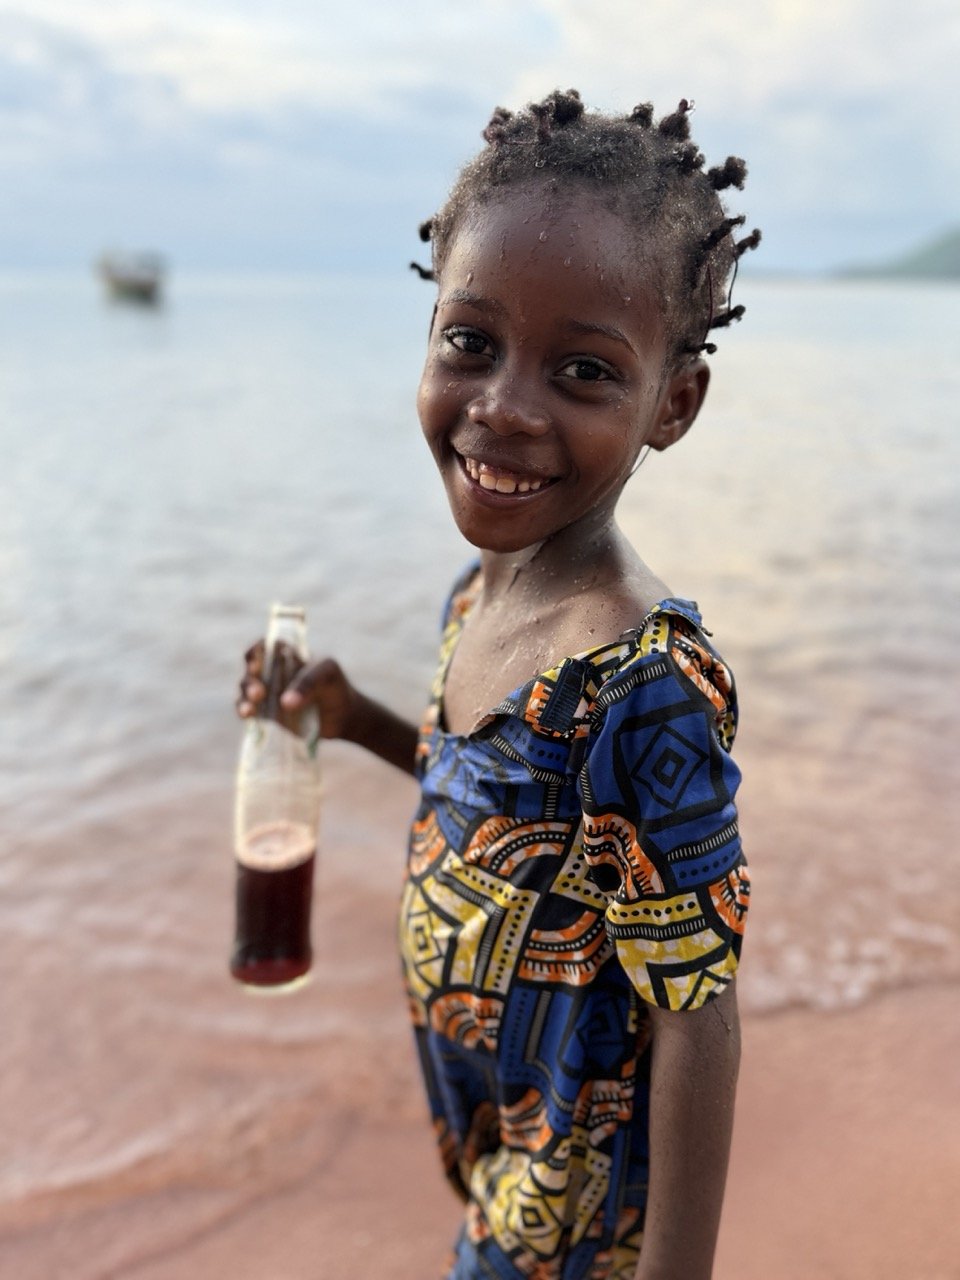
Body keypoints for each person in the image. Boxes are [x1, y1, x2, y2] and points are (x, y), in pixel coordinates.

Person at [238, 89, 758, 1280]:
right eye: (471, 341)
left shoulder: (647, 683)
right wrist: (352, 717)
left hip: (573, 1210)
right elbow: (495, 811)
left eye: (582, 369)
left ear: (671, 403)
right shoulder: (481, 591)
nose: (506, 406)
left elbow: (698, 1014)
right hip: (493, 1136)